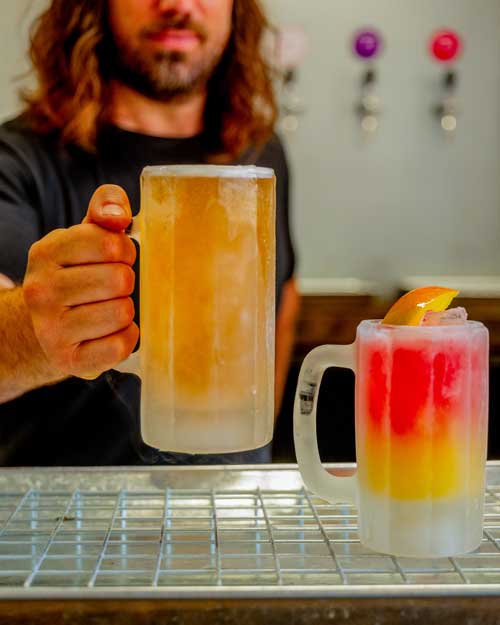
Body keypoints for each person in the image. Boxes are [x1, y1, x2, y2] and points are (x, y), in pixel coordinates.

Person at [0, 0, 299, 465]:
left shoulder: (258, 151)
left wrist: (251, 447)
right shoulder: (17, 159)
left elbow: (283, 295)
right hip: (69, 520)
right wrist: (36, 331)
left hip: (232, 509)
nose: (177, 5)